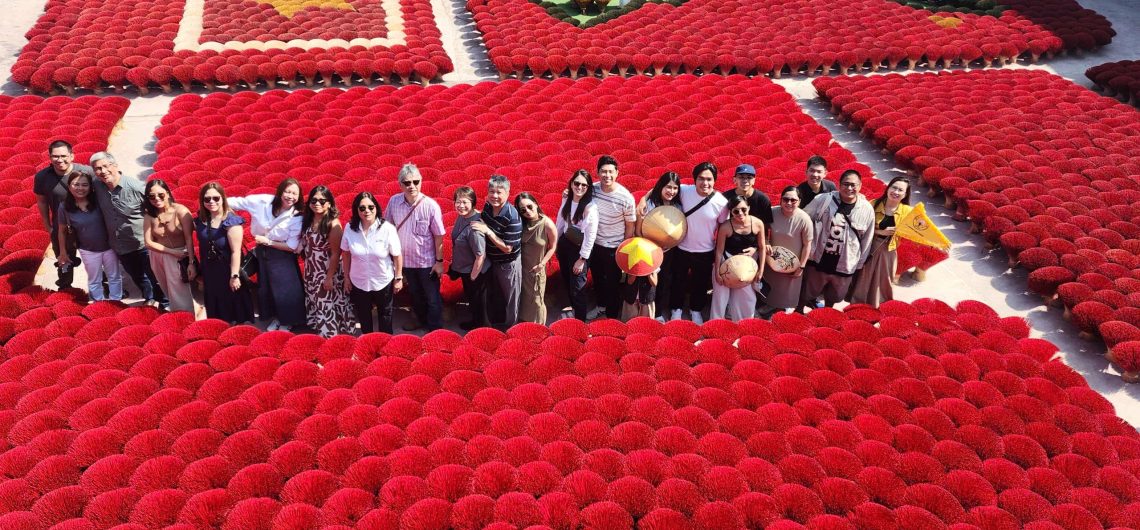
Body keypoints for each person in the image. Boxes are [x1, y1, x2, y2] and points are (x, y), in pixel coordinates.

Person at [90, 152, 166, 307]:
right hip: (120, 244)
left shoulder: (136, 187)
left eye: (106, 166)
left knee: (155, 275)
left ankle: (165, 302)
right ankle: (149, 298)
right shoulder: (97, 186)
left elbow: (159, 208)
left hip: (142, 242)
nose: (103, 171)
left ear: (115, 165)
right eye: (98, 169)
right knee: (137, 275)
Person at [228, 178, 305, 331]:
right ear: (280, 191)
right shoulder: (262, 202)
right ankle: (276, 317)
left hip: (282, 255)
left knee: (285, 289)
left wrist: (267, 241)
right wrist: (227, 214)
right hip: (263, 254)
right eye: (287, 191)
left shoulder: (297, 216)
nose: (290, 196)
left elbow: (292, 246)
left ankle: (287, 321)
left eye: (294, 194)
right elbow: (235, 202)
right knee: (268, 287)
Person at [798, 170, 876, 311]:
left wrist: (859, 262)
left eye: (853, 185)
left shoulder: (866, 209)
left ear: (860, 186)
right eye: (846, 184)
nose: (849, 188)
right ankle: (799, 310)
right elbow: (803, 217)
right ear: (839, 185)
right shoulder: (824, 200)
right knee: (808, 290)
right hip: (819, 258)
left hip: (845, 262)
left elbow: (867, 238)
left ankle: (827, 312)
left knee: (835, 294)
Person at [385, 163, 446, 331]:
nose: (412, 186)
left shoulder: (430, 205)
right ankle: (420, 320)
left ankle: (435, 327)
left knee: (432, 297)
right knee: (415, 295)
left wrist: (439, 261)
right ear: (400, 184)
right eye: (407, 183)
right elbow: (387, 227)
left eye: (416, 181)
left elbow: (439, 236)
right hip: (405, 261)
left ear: (421, 181)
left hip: (426, 261)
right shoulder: (394, 202)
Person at [669, 162, 728, 324]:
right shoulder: (684, 191)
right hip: (681, 247)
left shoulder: (721, 203)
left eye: (709, 179)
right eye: (701, 179)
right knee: (678, 280)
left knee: (699, 283)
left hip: (705, 250)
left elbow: (723, 227)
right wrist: (644, 201)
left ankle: (696, 310)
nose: (705, 183)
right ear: (694, 180)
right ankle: (676, 309)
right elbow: (662, 188)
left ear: (715, 181)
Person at [341, 192, 403, 334]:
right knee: (363, 315)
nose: (367, 211)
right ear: (356, 210)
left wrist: (398, 278)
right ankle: (367, 342)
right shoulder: (349, 229)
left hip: (383, 279)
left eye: (370, 207)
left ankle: (385, 342)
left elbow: (397, 255)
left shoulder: (387, 228)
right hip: (359, 280)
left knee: (385, 314)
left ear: (376, 208)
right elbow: (345, 253)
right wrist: (346, 278)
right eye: (362, 208)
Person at [847, 177, 913, 308]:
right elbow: (859, 226)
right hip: (870, 246)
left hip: (889, 250)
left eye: (900, 190)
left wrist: (938, 243)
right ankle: (857, 304)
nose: (896, 191)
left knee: (883, 280)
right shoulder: (874, 204)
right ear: (888, 188)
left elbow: (920, 230)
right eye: (894, 187)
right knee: (864, 276)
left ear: (905, 194)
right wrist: (880, 232)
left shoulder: (908, 212)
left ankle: (879, 305)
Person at [299, 186, 356, 337]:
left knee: (327, 301)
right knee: (316, 300)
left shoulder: (333, 224)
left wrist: (329, 277)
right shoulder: (308, 220)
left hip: (326, 269)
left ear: (329, 203)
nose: (317, 203)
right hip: (311, 269)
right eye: (314, 200)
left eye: (322, 201)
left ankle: (329, 334)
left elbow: (336, 253)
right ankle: (321, 329)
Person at [194, 182, 254, 323]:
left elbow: (235, 252)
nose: (211, 202)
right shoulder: (202, 219)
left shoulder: (231, 221)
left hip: (227, 269)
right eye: (207, 199)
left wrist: (234, 276)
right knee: (216, 302)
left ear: (223, 198)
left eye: (216, 198)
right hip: (209, 270)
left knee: (232, 301)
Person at [36, 140, 93, 289]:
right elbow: (42, 201)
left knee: (97, 256)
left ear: (72, 156)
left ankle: (105, 284)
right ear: (50, 157)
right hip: (61, 226)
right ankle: (65, 287)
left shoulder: (86, 172)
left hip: (90, 225)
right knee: (63, 259)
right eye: (55, 156)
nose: (60, 160)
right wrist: (48, 225)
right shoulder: (43, 177)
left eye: (63, 156)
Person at [56, 171, 121, 301]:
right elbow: (61, 230)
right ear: (69, 187)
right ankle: (98, 304)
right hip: (88, 250)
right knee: (94, 279)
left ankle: (116, 301)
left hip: (110, 247)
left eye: (84, 185)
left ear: (91, 187)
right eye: (76, 184)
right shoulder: (64, 207)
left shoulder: (99, 201)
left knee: (114, 276)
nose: (80, 188)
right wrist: (62, 252)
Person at [589, 155, 636, 320]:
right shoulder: (593, 189)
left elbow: (630, 225)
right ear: (597, 172)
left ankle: (611, 316)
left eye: (610, 172)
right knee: (598, 280)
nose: (606, 175)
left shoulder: (625, 197)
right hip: (595, 244)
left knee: (613, 284)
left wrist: (623, 249)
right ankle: (601, 306)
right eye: (603, 171)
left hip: (614, 247)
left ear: (617, 173)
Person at [472, 175, 522, 329]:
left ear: (507, 194)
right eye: (491, 191)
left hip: (508, 263)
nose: (494, 196)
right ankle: (497, 323)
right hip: (493, 260)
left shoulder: (512, 216)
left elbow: (507, 248)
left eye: (499, 192)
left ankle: (511, 327)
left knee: (511, 298)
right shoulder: (488, 207)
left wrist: (487, 231)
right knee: (497, 295)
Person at [143, 180, 197, 313]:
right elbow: (148, 242)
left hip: (180, 256)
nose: (156, 199)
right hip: (158, 256)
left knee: (180, 290)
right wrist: (171, 252)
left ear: (167, 193)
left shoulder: (181, 211)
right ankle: (176, 313)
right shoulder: (149, 215)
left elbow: (189, 239)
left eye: (160, 195)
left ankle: (186, 316)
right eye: (151, 196)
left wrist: (191, 262)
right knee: (167, 287)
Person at [710, 196, 766, 321]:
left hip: (746, 268)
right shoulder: (726, 226)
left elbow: (762, 247)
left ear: (749, 208)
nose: (740, 213)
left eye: (743, 209)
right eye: (736, 211)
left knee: (747, 299)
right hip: (726, 264)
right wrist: (718, 272)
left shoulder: (757, 223)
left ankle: (743, 324)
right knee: (720, 298)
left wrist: (761, 270)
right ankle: (716, 325)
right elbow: (719, 250)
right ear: (731, 212)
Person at [636, 171, 683, 320]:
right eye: (668, 187)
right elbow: (638, 230)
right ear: (661, 186)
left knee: (664, 281)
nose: (671, 191)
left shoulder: (677, 205)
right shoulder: (649, 204)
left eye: (675, 188)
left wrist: (671, 244)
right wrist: (644, 198)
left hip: (668, 251)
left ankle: (659, 313)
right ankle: (647, 312)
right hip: (649, 250)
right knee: (649, 282)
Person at [761, 186, 813, 315]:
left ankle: (786, 309)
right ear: (781, 200)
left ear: (799, 201)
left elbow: (808, 244)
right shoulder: (772, 212)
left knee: (788, 287)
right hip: (772, 258)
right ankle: (770, 305)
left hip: (792, 262)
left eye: (793, 200)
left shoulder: (804, 219)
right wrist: (766, 242)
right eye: (785, 199)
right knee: (772, 284)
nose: (789, 203)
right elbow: (762, 231)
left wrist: (801, 266)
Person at [555, 170, 598, 321]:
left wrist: (582, 259)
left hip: (580, 249)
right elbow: (561, 221)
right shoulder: (567, 199)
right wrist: (555, 242)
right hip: (565, 244)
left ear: (588, 187)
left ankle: (581, 321)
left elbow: (590, 235)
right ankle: (574, 310)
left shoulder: (589, 207)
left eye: (584, 185)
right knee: (567, 279)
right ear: (571, 183)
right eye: (577, 183)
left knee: (578, 286)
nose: (579, 187)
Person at [449, 186, 490, 330]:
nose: (461, 206)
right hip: (465, 268)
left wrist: (473, 276)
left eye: (465, 202)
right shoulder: (462, 217)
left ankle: (481, 329)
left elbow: (481, 255)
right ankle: (476, 322)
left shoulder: (475, 227)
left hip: (475, 271)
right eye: (458, 202)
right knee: (473, 300)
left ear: (473, 202)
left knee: (478, 301)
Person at [516, 192, 557, 324]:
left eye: (529, 206)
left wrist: (542, 264)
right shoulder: (522, 224)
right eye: (523, 210)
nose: (527, 211)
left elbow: (553, 247)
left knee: (537, 301)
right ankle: (525, 326)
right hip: (522, 269)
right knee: (524, 300)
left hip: (536, 269)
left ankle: (539, 327)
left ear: (535, 204)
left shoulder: (547, 223)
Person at [721, 164, 773, 228]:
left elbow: (766, 225)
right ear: (735, 180)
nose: (745, 181)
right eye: (741, 177)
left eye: (749, 177)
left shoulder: (763, 200)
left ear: (754, 180)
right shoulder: (725, 198)